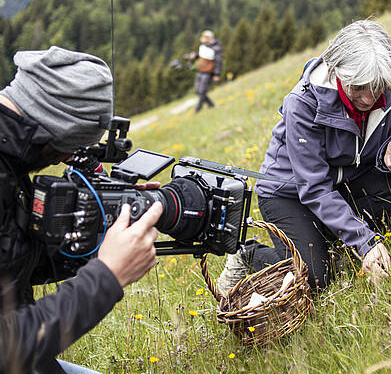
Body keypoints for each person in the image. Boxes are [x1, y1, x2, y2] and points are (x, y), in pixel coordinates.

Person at [216, 19, 391, 296]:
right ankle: (247, 254)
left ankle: (328, 241)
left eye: (376, 86)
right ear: (337, 72)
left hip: (347, 181)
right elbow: (314, 188)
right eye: (357, 87)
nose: (367, 98)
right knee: (315, 279)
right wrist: (366, 242)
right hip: (290, 194)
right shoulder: (302, 103)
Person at [0, 46, 162, 374]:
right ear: (48, 129)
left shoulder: (11, 162)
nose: (65, 159)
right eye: (69, 147)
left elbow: (14, 267)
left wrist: (97, 237)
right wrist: (107, 276)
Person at [189, 30, 223, 113]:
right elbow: (201, 55)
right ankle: (211, 105)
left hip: (208, 73)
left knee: (202, 91)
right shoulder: (204, 46)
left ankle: (197, 110)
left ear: (210, 39)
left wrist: (216, 74)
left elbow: (218, 62)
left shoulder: (216, 49)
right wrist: (194, 56)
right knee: (198, 90)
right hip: (200, 71)